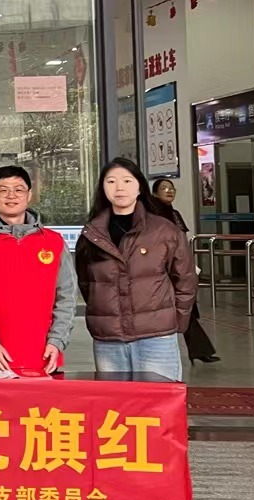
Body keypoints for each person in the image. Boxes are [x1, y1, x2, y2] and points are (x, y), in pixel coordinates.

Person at [77, 159, 197, 381]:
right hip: (109, 339)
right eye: (111, 181)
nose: (119, 187)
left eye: (127, 181)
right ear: (103, 188)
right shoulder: (92, 234)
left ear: (140, 187)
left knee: (157, 399)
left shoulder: (164, 230)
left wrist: (175, 321)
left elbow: (185, 279)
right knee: (115, 401)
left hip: (156, 336)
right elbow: (87, 283)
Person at [0, 165, 77, 374]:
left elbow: (67, 298)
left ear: (29, 195)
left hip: (44, 357)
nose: (11, 195)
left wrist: (57, 341)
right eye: (3, 190)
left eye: (18, 189)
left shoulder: (53, 242)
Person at [152, 178, 219, 364]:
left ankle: (199, 349)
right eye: (164, 188)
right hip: (163, 268)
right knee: (179, 307)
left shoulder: (174, 214)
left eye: (171, 188)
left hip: (178, 266)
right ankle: (198, 350)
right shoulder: (152, 214)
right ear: (155, 193)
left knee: (185, 306)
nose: (169, 191)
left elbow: (181, 240)